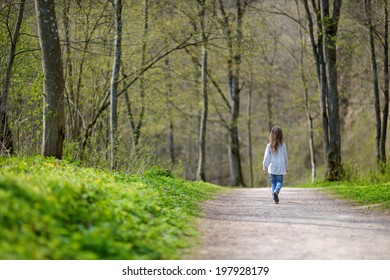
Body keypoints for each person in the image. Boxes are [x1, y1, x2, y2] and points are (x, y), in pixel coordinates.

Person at [263, 126, 288, 204]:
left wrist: (265, 166)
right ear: (281, 135)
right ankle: (276, 192)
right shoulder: (283, 146)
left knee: (273, 183)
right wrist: (286, 167)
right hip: (280, 168)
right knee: (279, 182)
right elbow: (285, 157)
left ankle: (274, 197)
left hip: (272, 168)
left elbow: (267, 157)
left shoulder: (269, 146)